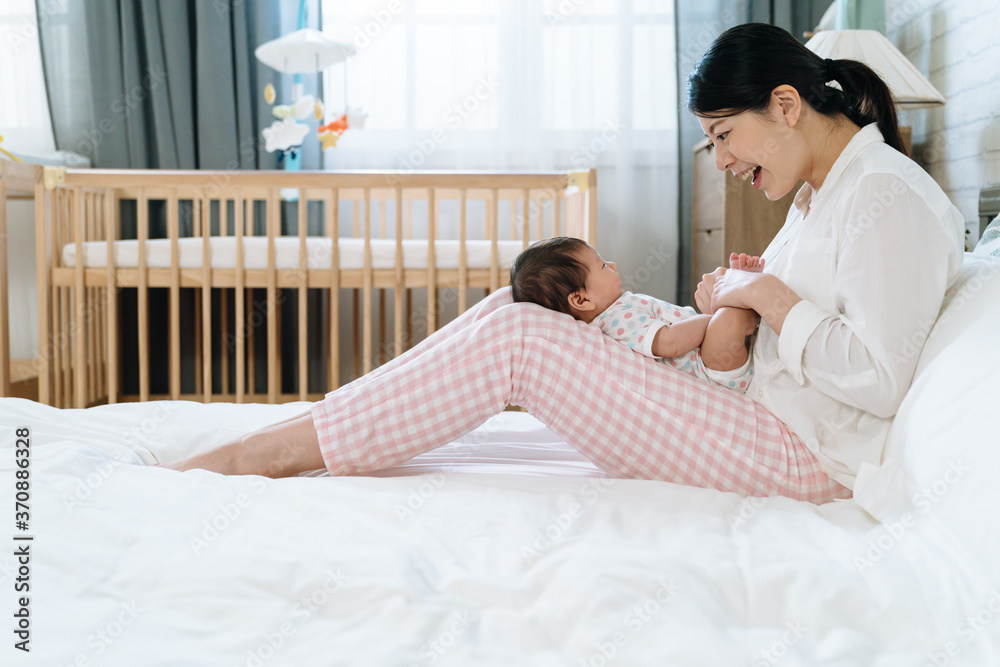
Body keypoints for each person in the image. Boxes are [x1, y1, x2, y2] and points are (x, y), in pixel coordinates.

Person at [159, 23, 964, 507]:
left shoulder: (885, 196)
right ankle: (318, 422)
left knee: (522, 339)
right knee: (519, 313)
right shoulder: (825, 193)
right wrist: (742, 296)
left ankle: (268, 454)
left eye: (724, 135)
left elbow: (881, 379)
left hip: (799, 453)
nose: (720, 159)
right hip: (753, 410)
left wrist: (765, 291)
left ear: (785, 105)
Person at [508, 236, 759, 392]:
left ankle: (739, 299)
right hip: (709, 369)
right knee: (728, 320)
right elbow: (669, 343)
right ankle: (744, 303)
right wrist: (713, 319)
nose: (613, 265)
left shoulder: (618, 309)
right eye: (603, 265)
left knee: (724, 311)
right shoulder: (616, 321)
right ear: (582, 299)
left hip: (709, 353)